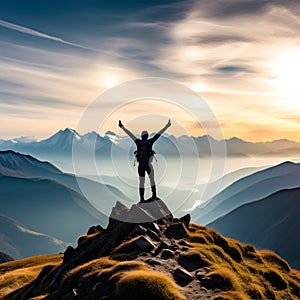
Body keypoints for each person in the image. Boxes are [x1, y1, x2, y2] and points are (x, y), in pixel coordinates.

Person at [119, 119, 171, 203]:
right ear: (147, 136)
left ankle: (141, 199)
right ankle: (154, 195)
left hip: (141, 166)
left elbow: (130, 134)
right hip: (149, 165)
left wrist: (122, 127)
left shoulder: (138, 142)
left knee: (141, 182)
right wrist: (167, 126)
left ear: (141, 136)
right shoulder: (150, 142)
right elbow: (159, 134)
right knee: (152, 180)